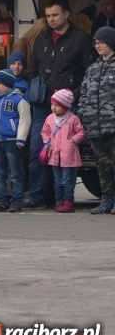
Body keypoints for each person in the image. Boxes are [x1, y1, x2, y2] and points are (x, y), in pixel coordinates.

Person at [26, 0, 95, 209]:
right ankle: (37, 196)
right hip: (42, 104)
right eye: (48, 16)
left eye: (55, 15)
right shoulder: (41, 39)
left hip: (67, 105)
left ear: (67, 14)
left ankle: (64, 198)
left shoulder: (81, 39)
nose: (51, 20)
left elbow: (88, 72)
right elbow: (32, 70)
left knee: (66, 153)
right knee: (38, 150)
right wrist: (35, 88)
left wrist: (72, 95)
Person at [78, 26, 115, 215]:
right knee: (102, 166)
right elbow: (83, 94)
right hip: (95, 127)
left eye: (101, 41)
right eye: (96, 42)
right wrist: (83, 114)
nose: (98, 45)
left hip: (113, 126)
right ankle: (107, 200)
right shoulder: (92, 69)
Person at [0, 69, 31, 213]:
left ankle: (17, 200)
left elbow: (25, 120)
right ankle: (2, 200)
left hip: (12, 140)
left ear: (8, 84)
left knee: (15, 172)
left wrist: (21, 139)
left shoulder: (19, 100)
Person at [41, 89, 84, 213]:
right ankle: (59, 202)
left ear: (65, 106)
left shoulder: (73, 119)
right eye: (52, 104)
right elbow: (45, 132)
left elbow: (80, 132)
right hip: (55, 154)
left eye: (57, 105)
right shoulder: (50, 118)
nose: (54, 108)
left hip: (68, 155)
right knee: (57, 181)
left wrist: (73, 140)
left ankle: (68, 202)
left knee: (67, 180)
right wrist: (48, 143)